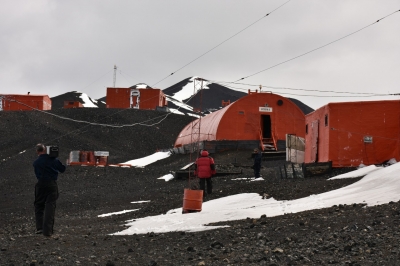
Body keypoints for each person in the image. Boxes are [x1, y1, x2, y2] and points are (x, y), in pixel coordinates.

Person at [33, 143, 66, 237]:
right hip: (51, 184)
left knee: (39, 205)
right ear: (45, 150)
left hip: (40, 184)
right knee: (50, 206)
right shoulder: (53, 160)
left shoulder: (36, 162)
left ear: (37, 151)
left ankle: (39, 228)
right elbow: (62, 169)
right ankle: (47, 231)